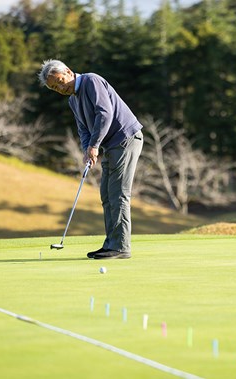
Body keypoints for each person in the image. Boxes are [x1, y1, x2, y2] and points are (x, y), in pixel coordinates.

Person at [38, 59, 143, 259]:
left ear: (68, 71)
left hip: (126, 138)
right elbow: (83, 128)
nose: (60, 88)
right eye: (54, 88)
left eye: (60, 81)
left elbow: (105, 114)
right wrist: (87, 149)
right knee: (106, 194)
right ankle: (111, 244)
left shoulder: (91, 81)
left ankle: (121, 246)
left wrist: (94, 146)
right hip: (110, 144)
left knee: (118, 194)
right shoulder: (73, 100)